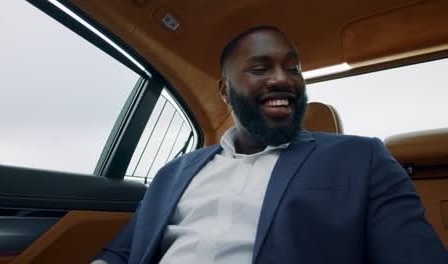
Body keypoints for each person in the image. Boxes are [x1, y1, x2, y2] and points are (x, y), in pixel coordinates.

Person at [92, 26, 447, 264]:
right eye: (260, 68)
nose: (282, 78)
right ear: (225, 91)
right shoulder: (174, 172)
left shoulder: (362, 157)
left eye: (293, 69)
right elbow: (121, 255)